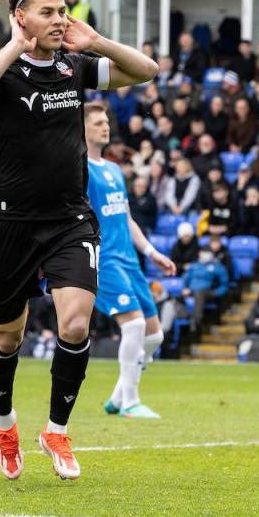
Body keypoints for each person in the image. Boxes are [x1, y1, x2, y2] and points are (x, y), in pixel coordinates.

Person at [0, 0, 157, 481]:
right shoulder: (0, 71)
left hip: (69, 220)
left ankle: (57, 430)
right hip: (10, 223)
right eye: (48, 12)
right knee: (7, 337)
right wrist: (13, 48)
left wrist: (98, 42)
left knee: (74, 321)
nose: (59, 20)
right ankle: (5, 424)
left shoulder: (73, 67)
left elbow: (147, 70)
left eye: (62, 11)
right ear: (20, 17)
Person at [84, 103, 173, 419]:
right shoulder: (79, 169)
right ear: (82, 129)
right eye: (97, 123)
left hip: (130, 260)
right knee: (134, 325)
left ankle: (118, 396)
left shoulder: (114, 169)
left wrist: (151, 252)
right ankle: (131, 403)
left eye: (105, 121)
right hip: (104, 259)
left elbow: (126, 217)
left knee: (154, 335)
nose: (104, 127)